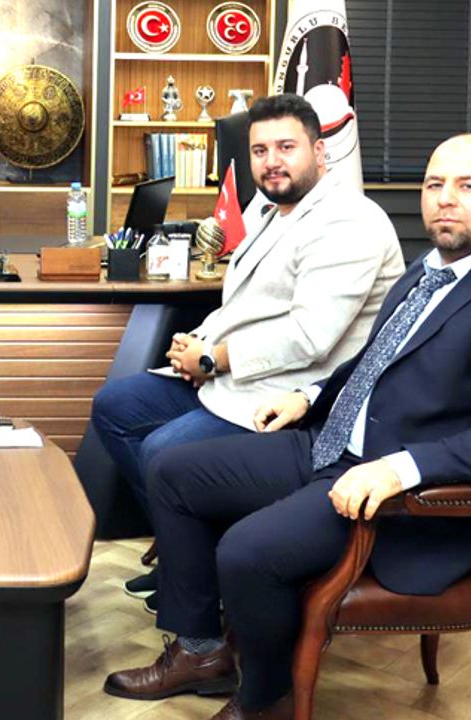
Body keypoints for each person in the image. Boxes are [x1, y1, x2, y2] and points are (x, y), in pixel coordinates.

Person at [102, 132, 471, 720]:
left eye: (467, 186)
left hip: (391, 493)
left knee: (245, 552)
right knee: (170, 469)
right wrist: (310, 395)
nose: (445, 198)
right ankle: (201, 651)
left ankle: (266, 698)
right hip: (330, 445)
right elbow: (375, 359)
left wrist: (399, 469)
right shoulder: (430, 268)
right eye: (434, 184)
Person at [88, 94, 404, 611]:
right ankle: (188, 555)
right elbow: (244, 304)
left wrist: (213, 358)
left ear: (319, 152)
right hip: (237, 377)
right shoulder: (270, 209)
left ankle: (196, 588)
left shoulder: (348, 221)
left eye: (286, 147)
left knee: (162, 450)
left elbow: (309, 335)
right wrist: (195, 342)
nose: (271, 161)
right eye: (260, 151)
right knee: (115, 407)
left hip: (290, 397)